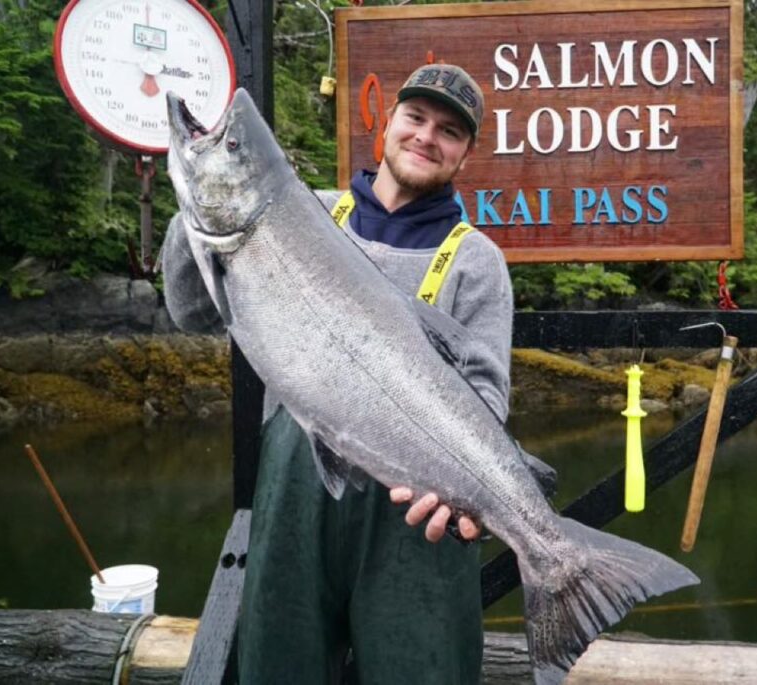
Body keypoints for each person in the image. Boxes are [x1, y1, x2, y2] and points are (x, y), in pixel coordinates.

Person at [162, 64, 511, 683]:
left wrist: (468, 492)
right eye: (417, 117)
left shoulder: (478, 261)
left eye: (450, 130)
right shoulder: (296, 211)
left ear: (466, 154)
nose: (428, 137)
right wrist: (196, 202)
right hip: (294, 494)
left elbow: (486, 398)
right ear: (388, 124)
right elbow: (190, 310)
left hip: (419, 510)